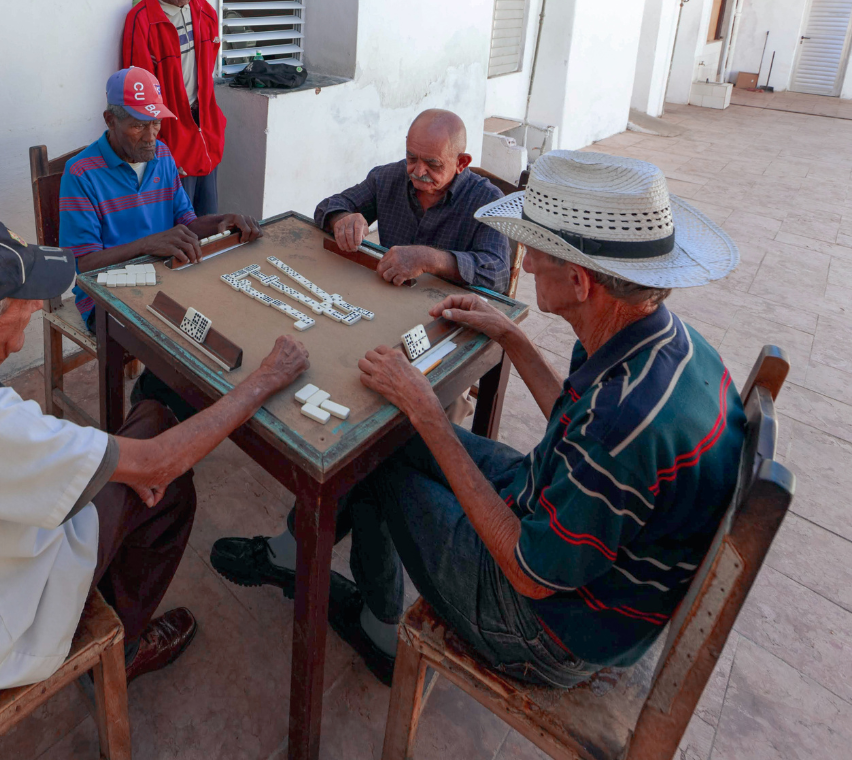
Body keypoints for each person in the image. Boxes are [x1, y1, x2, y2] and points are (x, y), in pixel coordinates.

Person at [213, 151, 745, 688]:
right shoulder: (657, 340)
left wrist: (428, 411)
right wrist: (511, 335)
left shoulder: (624, 422)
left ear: (582, 282)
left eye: (538, 253)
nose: (528, 264)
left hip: (543, 629)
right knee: (392, 436)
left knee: (370, 456)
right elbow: (573, 418)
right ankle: (293, 550)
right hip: (558, 515)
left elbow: (529, 572)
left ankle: (377, 630)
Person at [0, 212, 308, 692]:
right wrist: (265, 379)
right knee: (169, 485)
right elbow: (160, 462)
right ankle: (122, 650)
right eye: (28, 300)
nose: (42, 304)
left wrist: (135, 468)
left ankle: (131, 491)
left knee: (150, 430)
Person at [60, 66, 258, 332]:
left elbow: (186, 222)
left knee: (225, 314)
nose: (151, 136)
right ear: (110, 120)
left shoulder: (163, 155)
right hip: (106, 298)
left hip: (166, 278)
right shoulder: (81, 173)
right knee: (179, 336)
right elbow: (84, 264)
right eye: (139, 125)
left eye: (156, 122)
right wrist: (147, 244)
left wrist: (222, 220)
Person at [317, 109, 511, 292]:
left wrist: (431, 260)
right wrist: (342, 219)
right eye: (411, 158)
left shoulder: (488, 199)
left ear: (461, 163)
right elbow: (329, 206)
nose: (418, 172)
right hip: (391, 292)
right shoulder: (388, 178)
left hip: (450, 307)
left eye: (432, 164)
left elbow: (498, 274)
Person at [123, 0, 225, 215]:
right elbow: (140, 97)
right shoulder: (142, 20)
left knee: (209, 219)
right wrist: (158, 143)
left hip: (205, 131)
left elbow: (207, 74)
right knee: (179, 224)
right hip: (170, 137)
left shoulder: (206, 12)